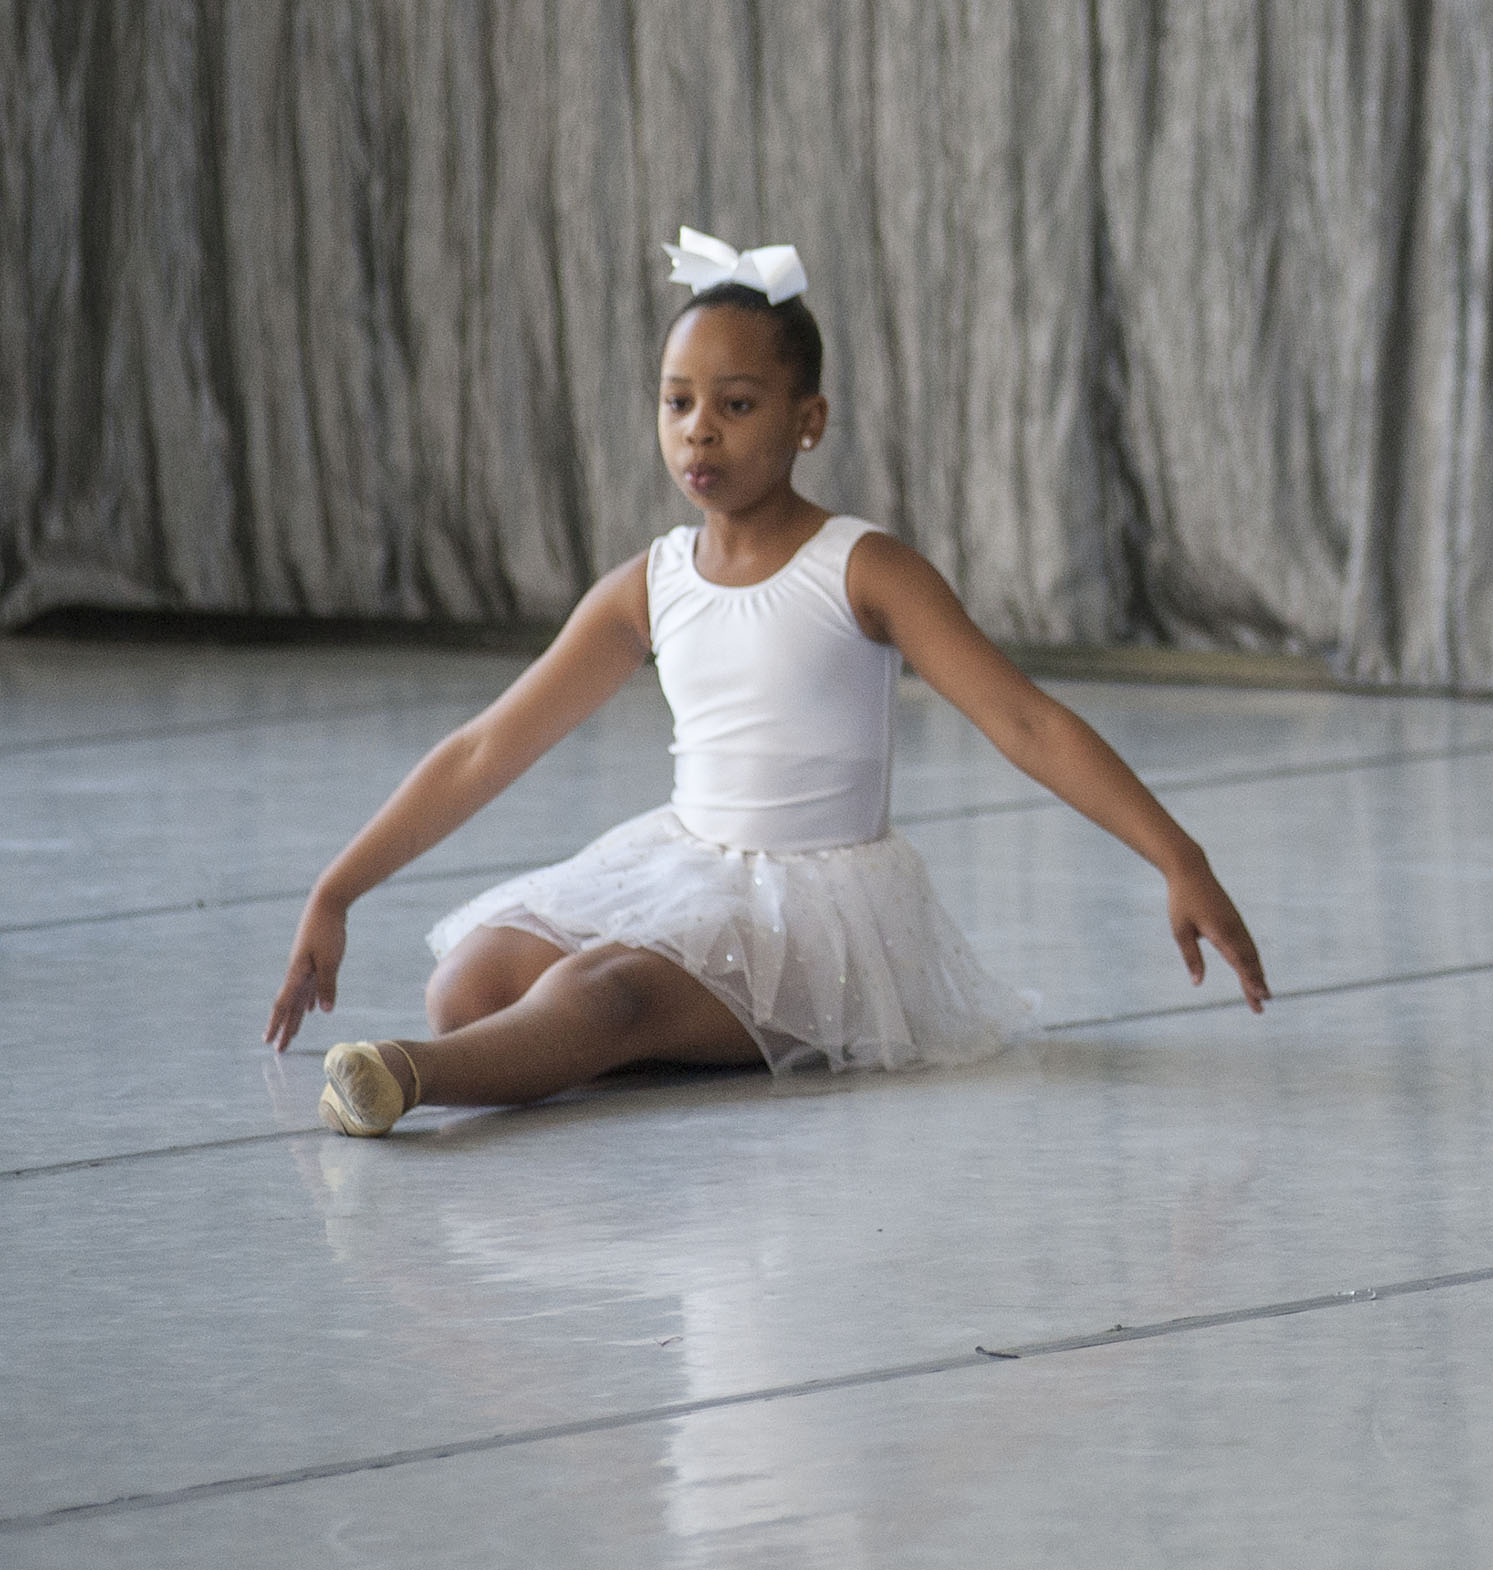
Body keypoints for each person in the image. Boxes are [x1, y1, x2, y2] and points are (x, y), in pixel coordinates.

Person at [264, 229, 1270, 1134]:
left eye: (737, 405)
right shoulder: (648, 586)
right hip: (685, 865)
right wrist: (338, 886)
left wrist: (1178, 857)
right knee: (468, 982)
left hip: (815, 913)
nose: (700, 429)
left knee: (601, 990)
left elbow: (1026, 720)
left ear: (808, 418)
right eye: (679, 402)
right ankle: (626, 1032)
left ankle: (407, 1075)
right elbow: (488, 746)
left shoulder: (863, 567)